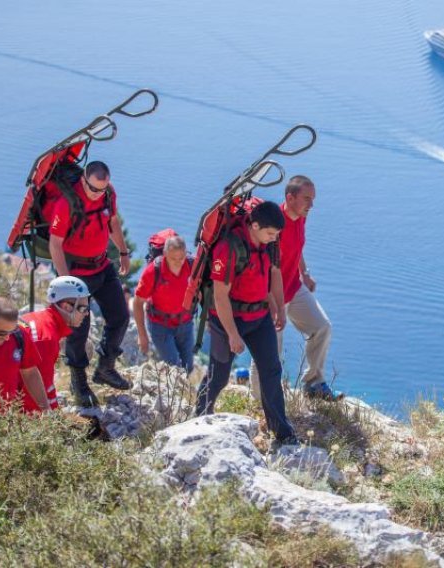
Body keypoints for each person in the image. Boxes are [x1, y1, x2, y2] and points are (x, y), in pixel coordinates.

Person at [194, 201, 296, 444]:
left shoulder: (269, 243)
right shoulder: (229, 248)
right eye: (270, 234)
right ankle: (198, 419)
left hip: (259, 317)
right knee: (218, 375)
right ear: (255, 225)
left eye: (277, 235)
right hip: (227, 319)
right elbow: (220, 295)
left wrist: (279, 308)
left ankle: (281, 432)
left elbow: (273, 274)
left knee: (271, 371)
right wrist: (232, 334)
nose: (274, 239)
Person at [48, 160, 132, 407]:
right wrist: (66, 283)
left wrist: (124, 252)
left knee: (120, 316)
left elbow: (113, 222)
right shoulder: (66, 204)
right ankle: (78, 381)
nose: (97, 194)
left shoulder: (107, 194)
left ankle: (105, 368)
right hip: (76, 271)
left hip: (102, 265)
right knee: (79, 329)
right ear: (83, 180)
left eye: (102, 189)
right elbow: (55, 243)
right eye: (93, 189)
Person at [250, 175, 341, 401]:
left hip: (294, 286)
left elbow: (297, 247)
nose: (312, 205)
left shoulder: (300, 217)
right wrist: (273, 303)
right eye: (307, 199)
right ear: (290, 198)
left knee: (322, 327)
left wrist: (305, 272)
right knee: (270, 351)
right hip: (271, 296)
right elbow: (264, 268)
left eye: (313, 199)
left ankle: (314, 384)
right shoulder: (274, 225)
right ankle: (260, 401)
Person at [20, 276, 91, 411]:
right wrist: (55, 422)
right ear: (66, 307)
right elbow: (38, 390)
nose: (87, 313)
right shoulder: (46, 339)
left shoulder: (41, 320)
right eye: (83, 309)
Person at [133, 235, 194, 370]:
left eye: (181, 258)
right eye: (173, 258)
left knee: (188, 367)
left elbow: (206, 287)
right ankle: (171, 391)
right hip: (161, 325)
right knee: (174, 368)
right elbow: (137, 303)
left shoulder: (192, 265)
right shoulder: (153, 271)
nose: (178, 262)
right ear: (165, 254)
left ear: (186, 253)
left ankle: (179, 391)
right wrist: (142, 335)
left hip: (185, 323)